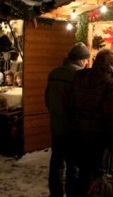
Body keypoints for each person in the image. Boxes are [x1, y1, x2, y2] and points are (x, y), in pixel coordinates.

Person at [65, 48, 113, 197]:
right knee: (97, 173)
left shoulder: (80, 75)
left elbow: (69, 103)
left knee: (80, 171)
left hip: (76, 130)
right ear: (111, 63)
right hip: (97, 134)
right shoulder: (111, 82)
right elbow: (111, 114)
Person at [45, 42, 90, 197]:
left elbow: (47, 99)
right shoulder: (80, 75)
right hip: (73, 128)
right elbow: (83, 103)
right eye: (85, 60)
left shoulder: (54, 73)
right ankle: (72, 193)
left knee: (56, 163)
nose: (86, 63)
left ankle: (55, 193)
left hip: (56, 126)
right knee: (73, 164)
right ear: (80, 59)